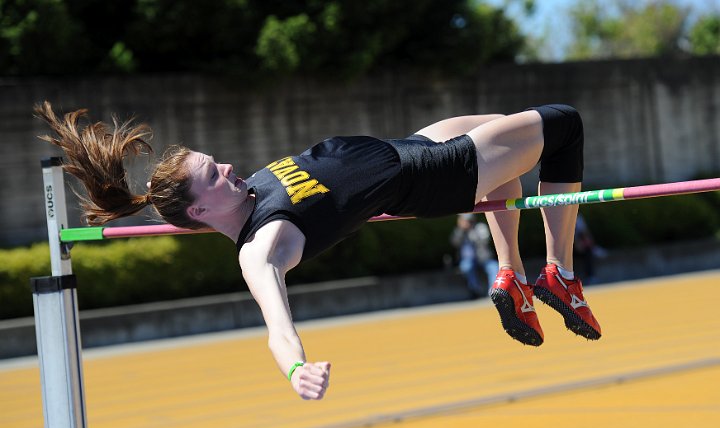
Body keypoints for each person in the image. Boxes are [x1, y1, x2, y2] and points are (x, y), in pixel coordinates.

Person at [35, 101, 602, 400]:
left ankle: (511, 276)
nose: (228, 166)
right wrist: (297, 370)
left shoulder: (249, 190)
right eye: (214, 172)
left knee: (511, 157)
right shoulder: (262, 246)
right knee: (565, 126)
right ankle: (562, 274)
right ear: (202, 212)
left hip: (407, 146)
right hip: (430, 172)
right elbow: (276, 326)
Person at [450, 213, 498, 298]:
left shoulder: (480, 227)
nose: (467, 222)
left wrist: (472, 232)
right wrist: (461, 230)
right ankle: (475, 290)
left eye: (469, 220)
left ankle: (493, 293)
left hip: (484, 258)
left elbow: (485, 241)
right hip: (468, 260)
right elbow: (454, 243)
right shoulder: (459, 231)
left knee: (494, 267)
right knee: (466, 267)